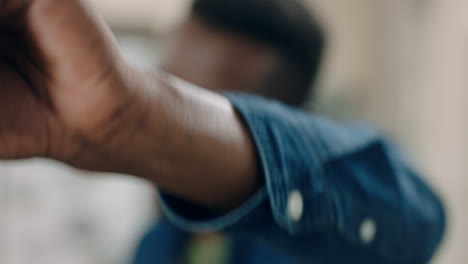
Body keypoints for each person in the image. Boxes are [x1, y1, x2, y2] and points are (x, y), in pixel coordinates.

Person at [0, 0, 445, 264]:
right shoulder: (157, 245)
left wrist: (138, 119)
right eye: (165, 89)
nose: (171, 125)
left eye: (206, 111)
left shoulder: (322, 244)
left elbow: (415, 219)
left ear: (294, 118)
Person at [134, 0, 325, 263]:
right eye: (163, 95)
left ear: (292, 134)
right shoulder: (156, 243)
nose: (164, 134)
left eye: (202, 115)